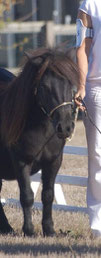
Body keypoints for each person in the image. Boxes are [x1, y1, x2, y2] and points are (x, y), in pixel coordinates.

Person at [75, 0, 101, 237]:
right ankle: (98, 226)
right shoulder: (89, 4)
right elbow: (81, 46)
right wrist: (82, 86)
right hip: (96, 87)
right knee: (98, 157)